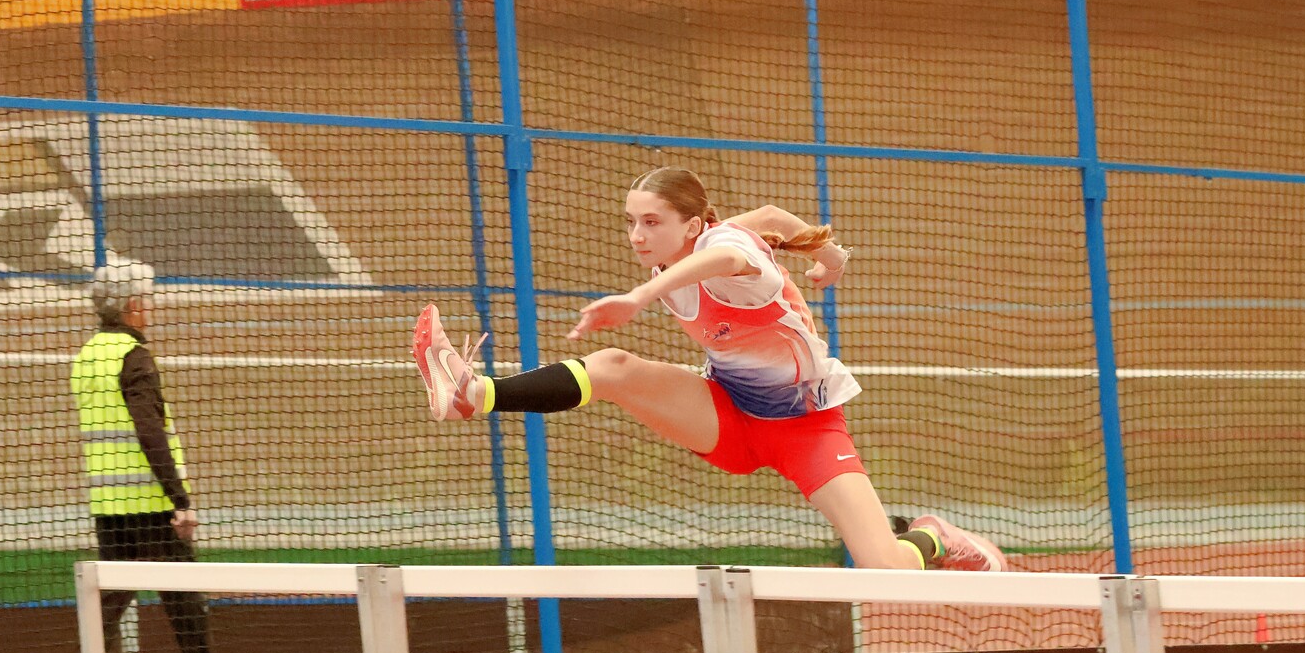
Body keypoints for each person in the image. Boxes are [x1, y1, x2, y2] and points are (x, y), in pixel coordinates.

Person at [412, 168, 1006, 573]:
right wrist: (832, 257)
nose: (637, 236)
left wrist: (639, 298)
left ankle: (934, 536)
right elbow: (771, 215)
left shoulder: (728, 253)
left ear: (692, 225)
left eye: (652, 222)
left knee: (885, 567)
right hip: (727, 414)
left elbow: (726, 252)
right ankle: (473, 393)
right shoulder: (694, 246)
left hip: (807, 430)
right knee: (615, 369)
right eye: (631, 221)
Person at [71, 260, 215, 653]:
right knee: (184, 599)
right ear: (132, 305)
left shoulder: (86, 358)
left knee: (109, 603)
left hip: (109, 507)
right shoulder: (133, 357)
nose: (150, 307)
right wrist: (179, 500)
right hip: (150, 506)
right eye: (146, 300)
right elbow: (149, 431)